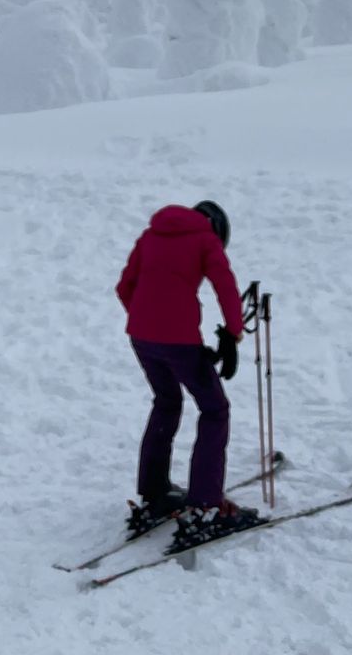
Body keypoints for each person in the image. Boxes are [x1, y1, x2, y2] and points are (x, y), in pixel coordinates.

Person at [116, 199, 260, 546]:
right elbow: (225, 285)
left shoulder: (150, 235)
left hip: (140, 336)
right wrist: (234, 331)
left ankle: (155, 491)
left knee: (166, 401)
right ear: (218, 229)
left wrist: (149, 322)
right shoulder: (204, 240)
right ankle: (207, 505)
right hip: (178, 339)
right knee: (214, 410)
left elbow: (124, 287)